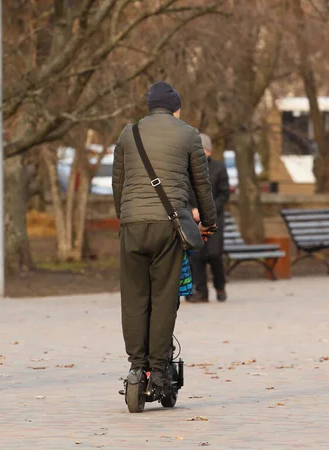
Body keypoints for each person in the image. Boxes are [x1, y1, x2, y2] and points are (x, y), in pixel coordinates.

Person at [112, 81, 217, 389]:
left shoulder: (128, 135)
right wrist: (207, 222)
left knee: (134, 299)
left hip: (132, 225)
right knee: (163, 297)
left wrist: (126, 217)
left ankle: (135, 367)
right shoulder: (188, 134)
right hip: (168, 227)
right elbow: (202, 185)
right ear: (176, 108)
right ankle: (158, 370)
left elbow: (118, 184)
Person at [186, 133, 230, 303]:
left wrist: (207, 211)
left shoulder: (219, 168)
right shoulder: (186, 171)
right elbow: (182, 194)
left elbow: (224, 194)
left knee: (214, 255)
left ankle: (220, 286)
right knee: (197, 256)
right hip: (194, 220)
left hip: (214, 220)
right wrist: (191, 210)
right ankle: (201, 291)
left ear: (209, 152)